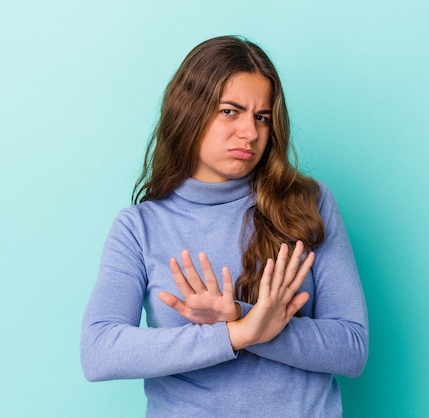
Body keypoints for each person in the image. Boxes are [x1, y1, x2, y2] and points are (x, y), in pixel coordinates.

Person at [80, 35, 368, 417]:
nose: (250, 133)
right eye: (230, 111)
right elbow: (99, 351)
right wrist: (237, 334)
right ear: (189, 112)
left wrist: (238, 314)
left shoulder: (308, 203)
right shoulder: (139, 227)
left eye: (261, 117)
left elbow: (351, 347)